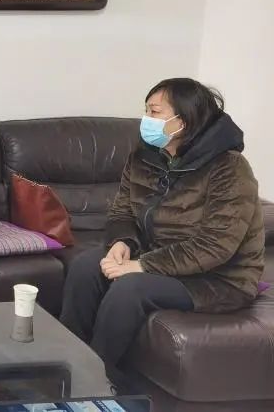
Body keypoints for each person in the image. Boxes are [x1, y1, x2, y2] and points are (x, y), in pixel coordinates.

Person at [60, 78, 265, 387]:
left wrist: (142, 265)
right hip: (159, 258)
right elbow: (122, 211)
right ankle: (66, 363)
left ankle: (96, 379)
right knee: (86, 266)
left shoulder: (229, 167)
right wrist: (121, 242)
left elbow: (215, 245)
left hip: (218, 278)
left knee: (131, 289)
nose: (146, 119)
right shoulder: (143, 157)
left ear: (183, 121)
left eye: (155, 112)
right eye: (146, 110)